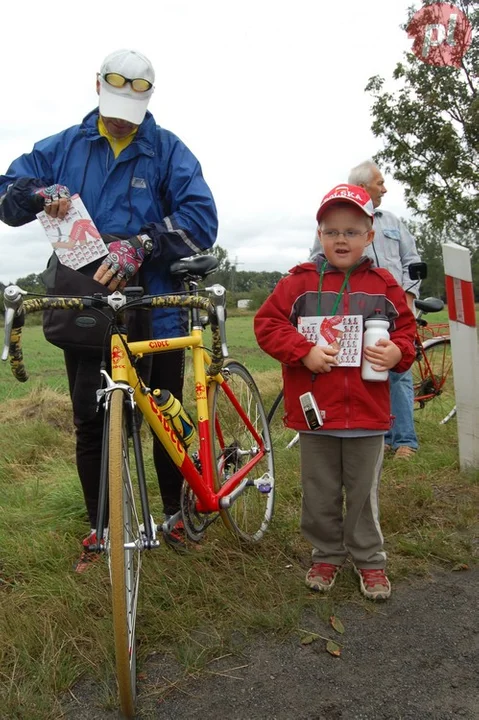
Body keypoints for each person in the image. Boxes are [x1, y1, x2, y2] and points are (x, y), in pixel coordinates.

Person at [0, 49, 218, 569]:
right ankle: (102, 530)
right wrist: (37, 193)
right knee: (93, 423)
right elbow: (7, 192)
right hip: (87, 313)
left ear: (148, 99)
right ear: (96, 86)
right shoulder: (64, 147)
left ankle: (177, 514)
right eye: (115, 102)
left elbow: (202, 218)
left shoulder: (168, 151)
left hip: (158, 310)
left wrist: (145, 242)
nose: (122, 117)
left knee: (165, 411)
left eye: (133, 106)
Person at [254, 184, 416, 600]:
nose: (341, 239)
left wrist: (398, 351)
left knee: (362, 494)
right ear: (320, 236)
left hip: (367, 413)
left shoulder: (384, 285)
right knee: (320, 489)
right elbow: (267, 325)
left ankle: (370, 561)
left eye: (351, 231)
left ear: (369, 236)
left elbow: (408, 334)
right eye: (331, 231)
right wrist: (303, 350)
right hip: (316, 414)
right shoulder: (298, 283)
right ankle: (326, 553)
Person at [311, 161, 422, 460]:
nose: (385, 188)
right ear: (363, 186)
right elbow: (317, 264)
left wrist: (409, 297)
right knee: (362, 373)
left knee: (397, 372)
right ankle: (378, 435)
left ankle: (405, 441)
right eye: (380, 182)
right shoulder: (331, 225)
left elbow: (412, 260)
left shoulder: (392, 222)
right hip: (350, 314)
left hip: (392, 312)